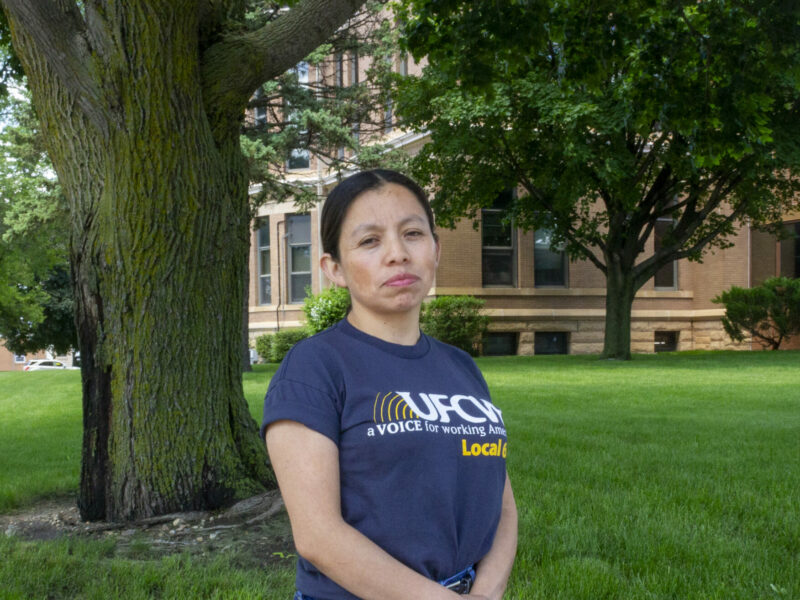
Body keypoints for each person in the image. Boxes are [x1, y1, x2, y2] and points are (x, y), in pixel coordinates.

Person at [261, 169, 517, 600]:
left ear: (435, 249)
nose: (397, 254)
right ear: (334, 269)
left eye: (412, 233)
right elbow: (318, 536)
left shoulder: (461, 367)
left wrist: (488, 589)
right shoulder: (314, 368)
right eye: (369, 241)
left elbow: (502, 502)